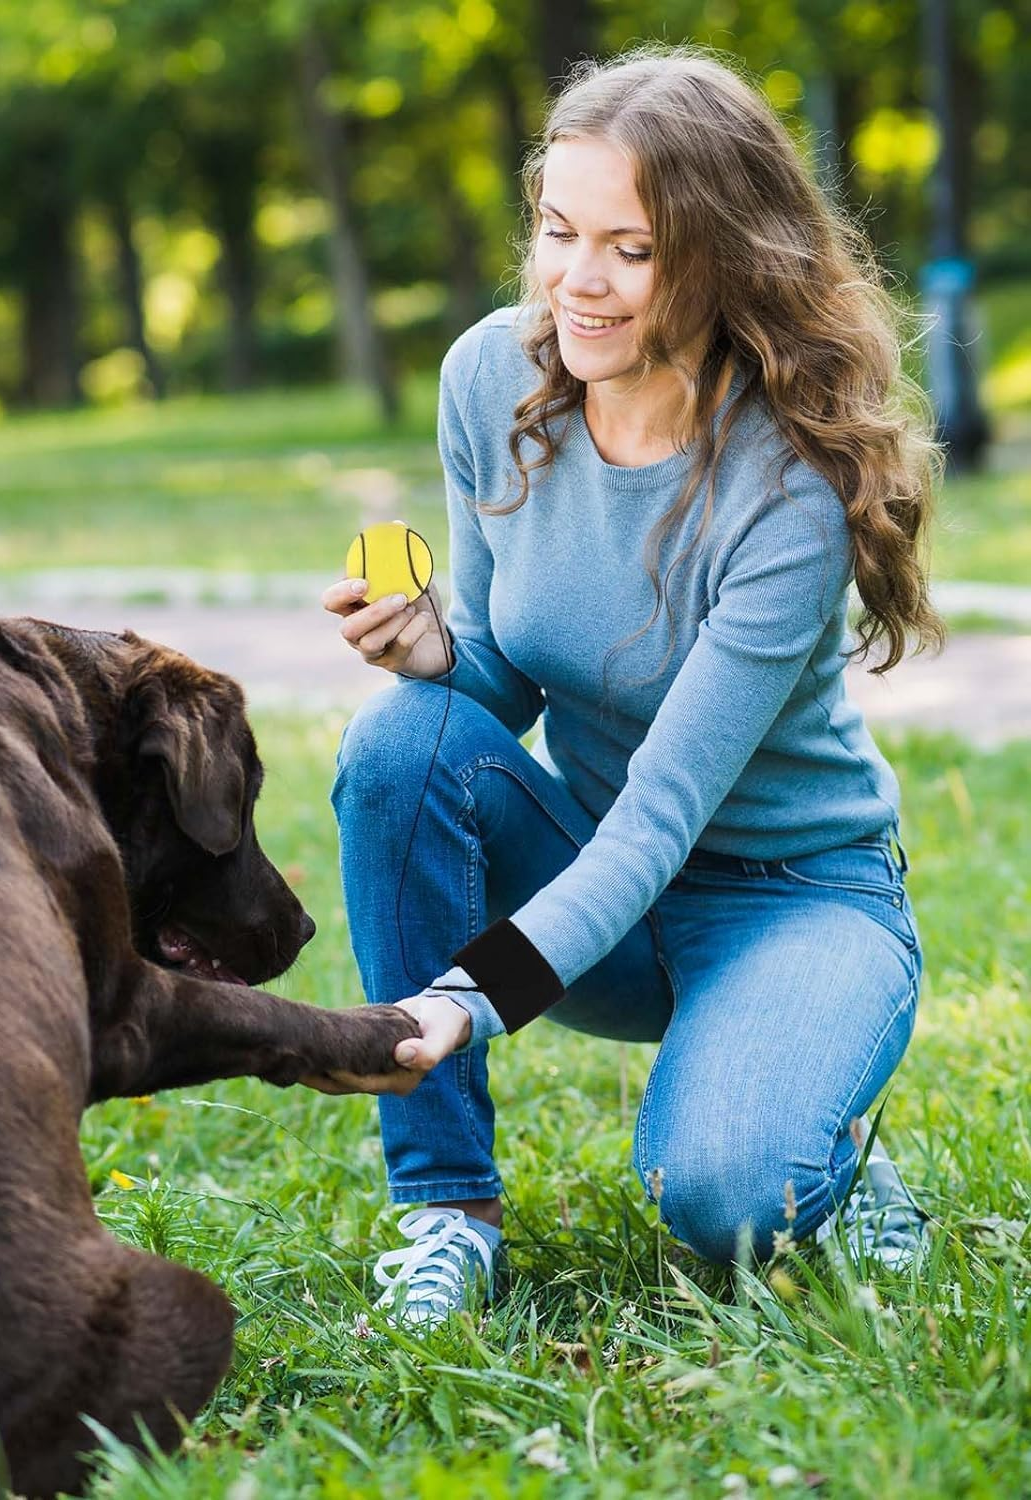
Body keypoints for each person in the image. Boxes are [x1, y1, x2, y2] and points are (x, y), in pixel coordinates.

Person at [317, 45, 940, 1327]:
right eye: (558, 231)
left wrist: (458, 1001)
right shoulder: (492, 377)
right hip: (598, 890)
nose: (576, 283)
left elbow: (661, 818)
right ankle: (449, 1214)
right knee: (399, 746)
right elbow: (498, 678)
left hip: (791, 901)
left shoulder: (786, 492)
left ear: (725, 259)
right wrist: (437, 654)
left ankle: (835, 1160)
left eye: (632, 250)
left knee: (723, 1195)